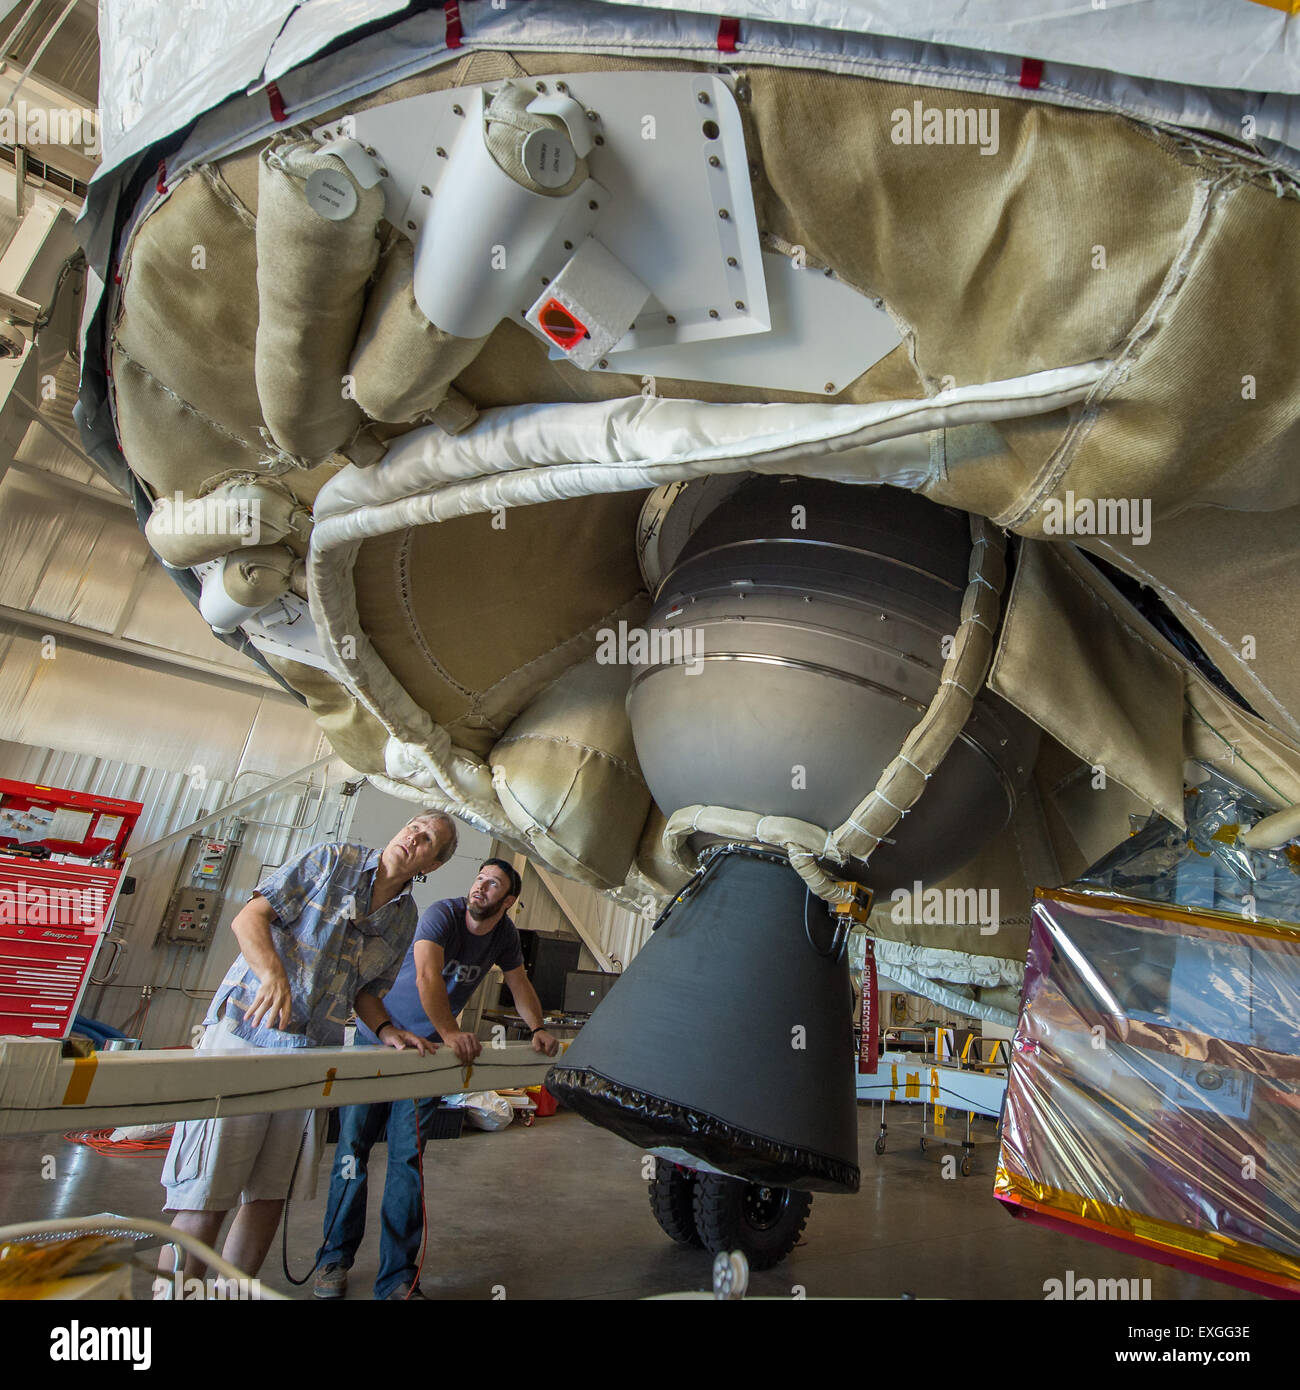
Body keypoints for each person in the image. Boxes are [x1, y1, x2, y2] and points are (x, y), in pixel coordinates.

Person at [157, 811, 459, 1290]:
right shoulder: (330, 860)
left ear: (434, 863)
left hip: (308, 1058)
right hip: (245, 1039)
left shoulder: (404, 918)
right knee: (205, 1194)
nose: (414, 836)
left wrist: (384, 1029)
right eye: (413, 826)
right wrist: (273, 974)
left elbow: (366, 990)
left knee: (267, 1197)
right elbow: (249, 917)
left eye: (428, 840)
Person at [314, 858, 560, 1301]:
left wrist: (538, 1028)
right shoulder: (443, 914)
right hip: (378, 1043)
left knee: (408, 1163)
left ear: (508, 901)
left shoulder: (504, 936)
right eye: (480, 877)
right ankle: (333, 1259)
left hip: (425, 1060)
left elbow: (520, 985)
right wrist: (451, 1032)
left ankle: (397, 1280)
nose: (481, 886)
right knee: (352, 1152)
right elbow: (428, 973)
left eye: (494, 884)